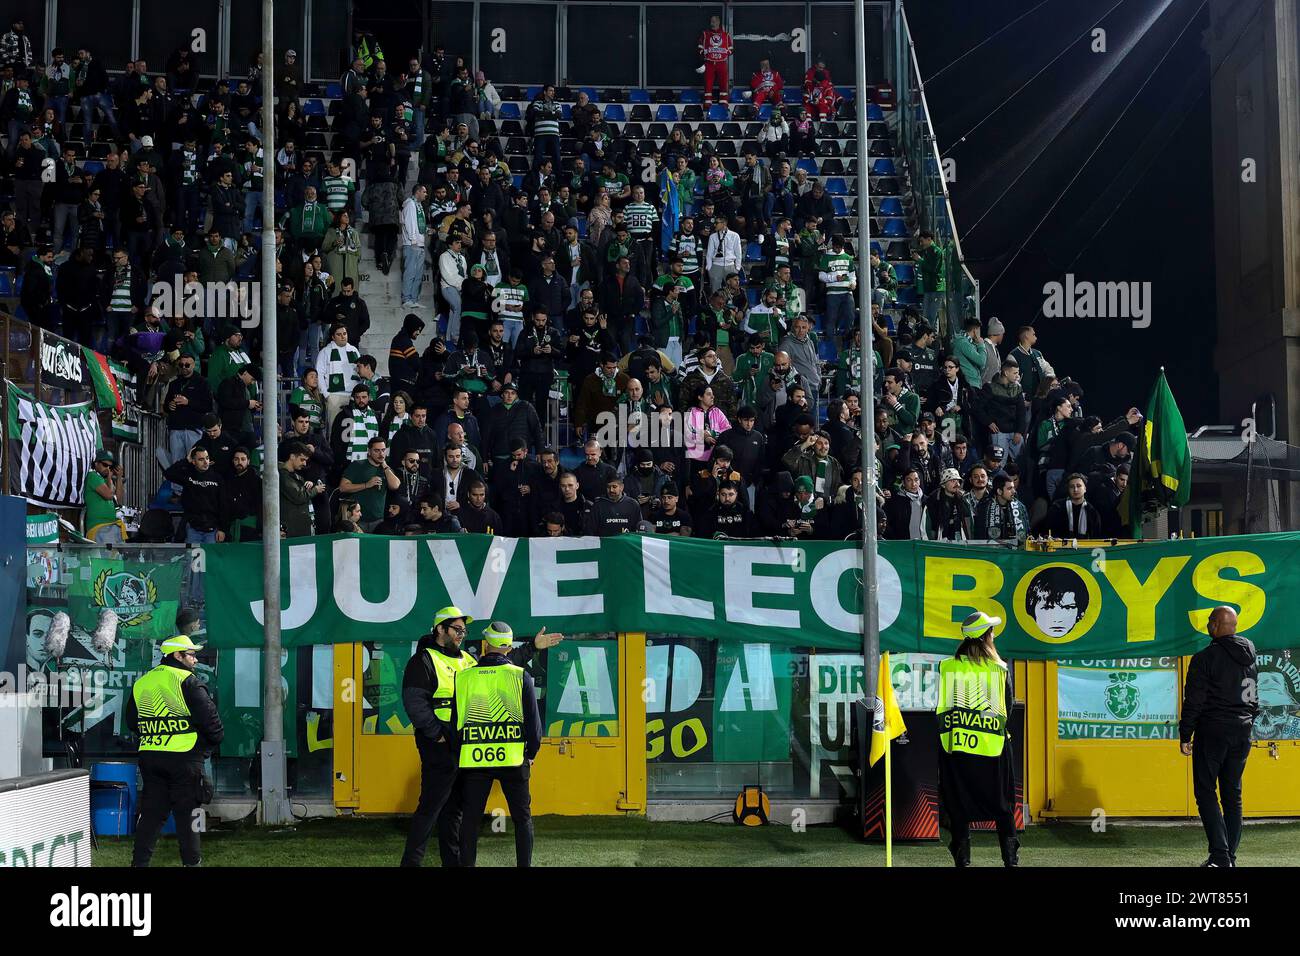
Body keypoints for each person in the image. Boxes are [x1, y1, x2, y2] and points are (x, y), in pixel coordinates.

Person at [453, 621, 546, 866]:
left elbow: (456, 723)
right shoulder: (520, 676)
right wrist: (532, 752)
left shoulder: (464, 677)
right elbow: (534, 724)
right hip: (514, 760)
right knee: (522, 819)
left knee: (470, 820)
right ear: (508, 647)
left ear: (485, 644)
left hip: (474, 761)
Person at [127, 634, 223, 867]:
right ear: (176, 656)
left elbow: (131, 721)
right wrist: (205, 749)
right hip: (186, 759)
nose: (195, 660)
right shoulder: (188, 681)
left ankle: (138, 865)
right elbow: (213, 725)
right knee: (189, 818)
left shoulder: (143, 682)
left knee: (149, 818)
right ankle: (192, 864)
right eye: (190, 654)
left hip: (151, 757)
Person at [937, 611, 1019, 867]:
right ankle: (1011, 862)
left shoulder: (948, 666)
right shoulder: (999, 669)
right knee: (1003, 807)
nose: (993, 634)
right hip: (993, 750)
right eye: (991, 631)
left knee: (959, 806)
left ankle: (963, 862)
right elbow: (1009, 707)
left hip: (957, 750)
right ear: (986, 637)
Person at [1180, 606, 1259, 867]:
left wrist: (1185, 734)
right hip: (1242, 731)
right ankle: (1228, 858)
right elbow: (1254, 699)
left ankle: (1220, 857)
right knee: (1232, 795)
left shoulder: (1205, 658)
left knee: (1205, 791)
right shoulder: (1250, 656)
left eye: (1209, 621)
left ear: (1214, 625)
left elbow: (1194, 700)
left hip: (1213, 731)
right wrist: (1246, 724)